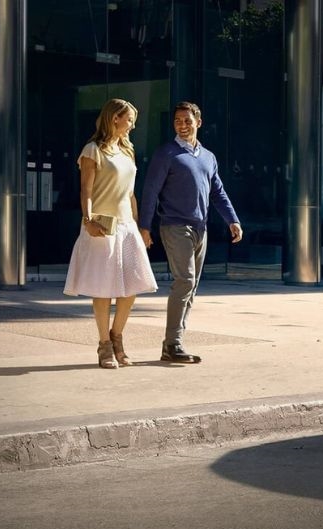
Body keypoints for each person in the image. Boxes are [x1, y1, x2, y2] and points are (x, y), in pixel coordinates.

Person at [138, 102, 242, 363]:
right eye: (177, 121)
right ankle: (172, 344)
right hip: (174, 226)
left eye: (187, 121)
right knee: (184, 281)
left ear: (199, 122)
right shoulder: (167, 154)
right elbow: (150, 191)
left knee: (191, 287)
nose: (182, 126)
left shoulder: (208, 157)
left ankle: (174, 343)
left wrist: (232, 219)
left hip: (200, 228)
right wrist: (145, 227)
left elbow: (217, 191)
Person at [64, 98, 159, 369]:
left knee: (132, 288)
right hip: (102, 227)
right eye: (129, 120)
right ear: (114, 118)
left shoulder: (127, 152)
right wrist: (88, 220)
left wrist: (142, 228)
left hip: (127, 227)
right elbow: (86, 191)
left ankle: (117, 337)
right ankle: (105, 345)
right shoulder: (92, 150)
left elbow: (130, 194)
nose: (132, 125)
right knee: (104, 290)